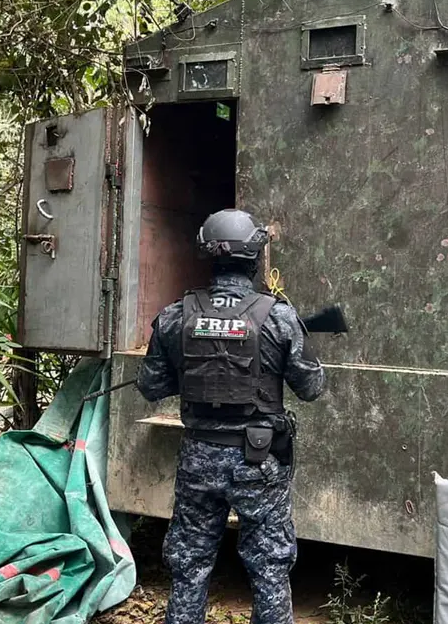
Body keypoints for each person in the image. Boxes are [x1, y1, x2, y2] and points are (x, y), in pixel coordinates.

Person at [136, 208, 326, 624]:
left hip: (198, 460)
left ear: (208, 255)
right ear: (255, 256)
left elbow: (150, 386)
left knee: (189, 563)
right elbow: (312, 388)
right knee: (269, 566)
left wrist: (195, 371)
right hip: (259, 461)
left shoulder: (175, 316)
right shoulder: (278, 317)